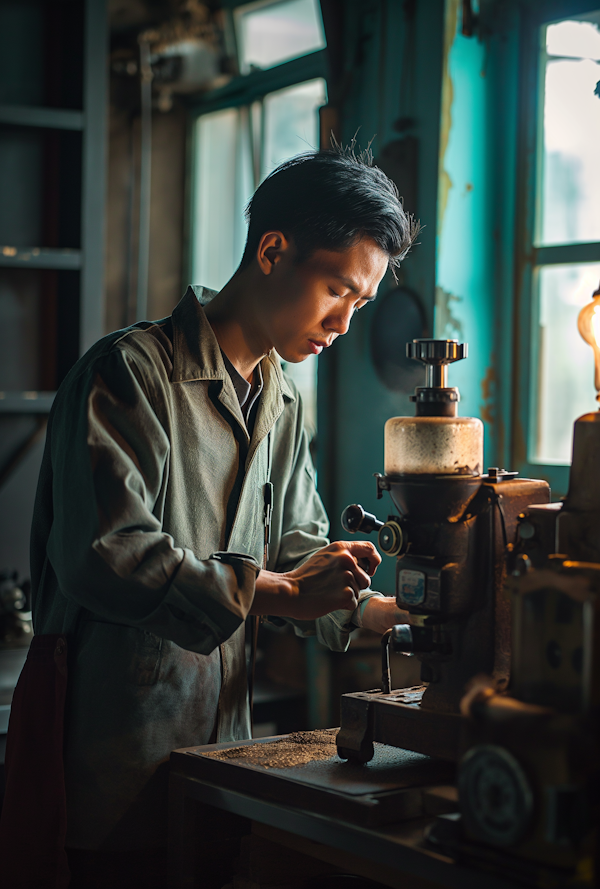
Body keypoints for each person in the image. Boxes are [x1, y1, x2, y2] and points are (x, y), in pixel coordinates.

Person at [1, 145, 418, 888]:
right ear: (273, 249)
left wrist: (374, 608)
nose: (345, 323)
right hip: (107, 755)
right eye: (336, 289)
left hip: (223, 753)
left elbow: (297, 543)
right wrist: (284, 591)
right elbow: (110, 554)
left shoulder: (283, 400)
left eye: (360, 304)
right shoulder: (128, 374)